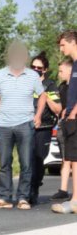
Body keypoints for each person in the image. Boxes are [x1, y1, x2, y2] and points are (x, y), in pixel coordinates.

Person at [0, 42, 48, 210]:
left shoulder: (32, 76)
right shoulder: (0, 74)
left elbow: (42, 96)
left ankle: (23, 198)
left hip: (25, 124)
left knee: (26, 163)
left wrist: (38, 116)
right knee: (4, 163)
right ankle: (5, 197)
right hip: (4, 125)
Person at [28, 52, 63, 205]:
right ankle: (26, 189)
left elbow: (57, 109)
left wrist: (44, 96)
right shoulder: (26, 83)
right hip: (26, 127)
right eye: (33, 67)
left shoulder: (50, 85)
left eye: (39, 67)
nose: (36, 69)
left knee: (38, 160)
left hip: (44, 127)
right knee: (27, 160)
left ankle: (35, 186)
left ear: (45, 70)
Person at [52, 31, 77, 214]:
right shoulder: (75, 65)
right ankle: (75, 199)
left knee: (75, 159)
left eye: (63, 45)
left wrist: (74, 111)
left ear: (73, 42)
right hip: (70, 117)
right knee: (73, 160)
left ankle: (75, 200)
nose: (61, 49)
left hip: (74, 117)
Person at [51, 57, 73, 201]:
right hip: (63, 125)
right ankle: (63, 189)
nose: (59, 74)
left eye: (61, 71)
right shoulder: (61, 87)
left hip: (73, 123)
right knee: (65, 158)